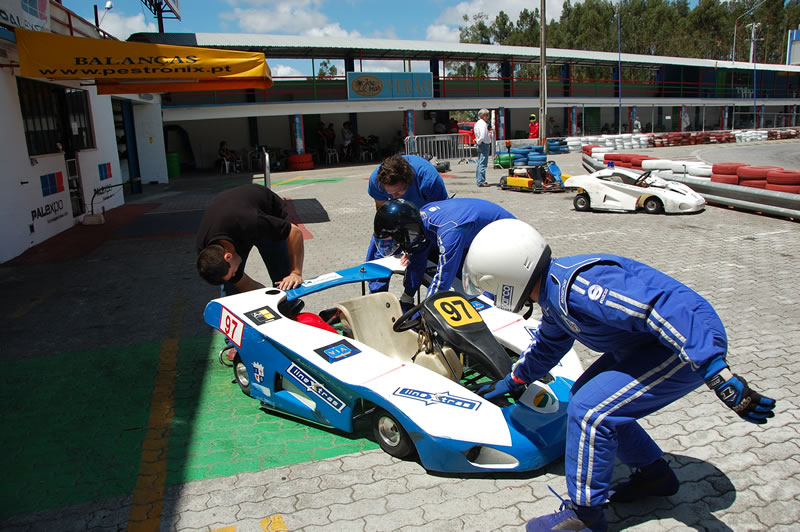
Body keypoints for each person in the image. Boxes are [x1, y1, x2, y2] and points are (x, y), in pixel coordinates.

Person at [462, 219, 777, 532]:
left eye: (489, 285)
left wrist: (714, 370)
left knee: (591, 412)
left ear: (506, 275)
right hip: (656, 343)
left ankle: (585, 517)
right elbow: (548, 346)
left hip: (687, 342)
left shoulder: (581, 286)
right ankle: (654, 476)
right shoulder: (553, 294)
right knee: (587, 396)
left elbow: (657, 307)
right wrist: (514, 382)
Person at [374, 198, 514, 310]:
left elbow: (443, 280)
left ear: (405, 232)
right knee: (466, 285)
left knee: (486, 300)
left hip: (509, 241)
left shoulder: (449, 232)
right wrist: (407, 296)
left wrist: (426, 312)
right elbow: (417, 258)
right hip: (479, 237)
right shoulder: (420, 220)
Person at [196, 184, 305, 295]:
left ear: (228, 256)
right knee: (231, 288)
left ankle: (288, 309)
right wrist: (265, 299)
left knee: (285, 279)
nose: (235, 274)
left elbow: (294, 232)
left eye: (233, 273)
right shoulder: (206, 252)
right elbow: (244, 284)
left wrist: (296, 273)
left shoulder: (252, 222)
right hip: (236, 228)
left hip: (264, 214)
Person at [365, 154, 448, 292]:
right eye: (389, 193)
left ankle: (408, 296)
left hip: (425, 216)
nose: (393, 197)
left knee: (418, 257)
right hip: (396, 215)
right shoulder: (376, 180)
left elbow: (441, 216)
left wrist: (410, 247)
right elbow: (382, 212)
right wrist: (390, 237)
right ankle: (377, 295)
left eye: (398, 192)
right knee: (378, 254)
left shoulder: (428, 180)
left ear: (408, 182)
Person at [474, 108, 492, 188]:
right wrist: (479, 141)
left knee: (479, 163)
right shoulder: (483, 124)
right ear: (483, 116)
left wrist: (477, 141)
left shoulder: (477, 123)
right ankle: (481, 181)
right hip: (484, 144)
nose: (488, 117)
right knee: (483, 163)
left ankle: (479, 179)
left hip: (480, 144)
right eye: (487, 115)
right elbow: (483, 135)